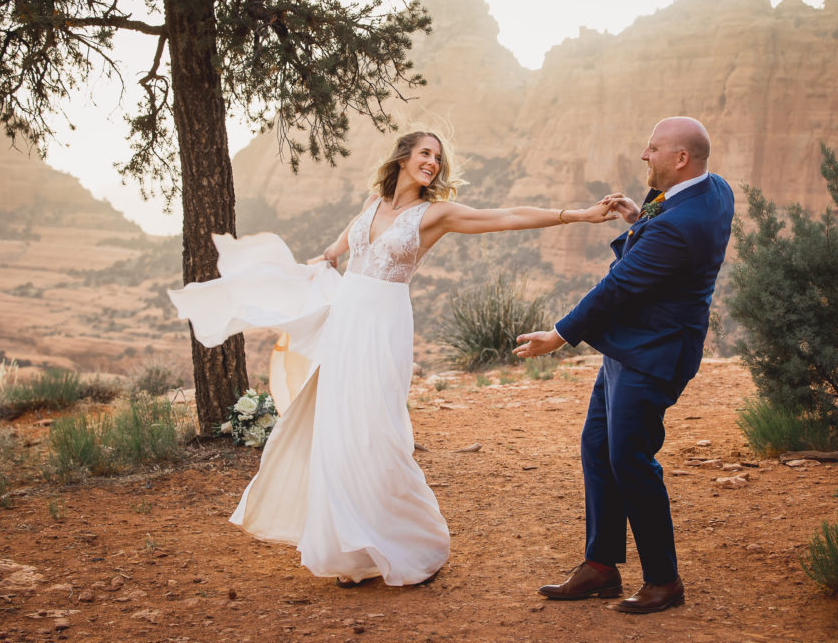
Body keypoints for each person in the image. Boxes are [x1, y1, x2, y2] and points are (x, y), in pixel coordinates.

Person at [169, 130, 623, 588]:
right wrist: (324, 257)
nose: (432, 162)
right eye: (425, 153)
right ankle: (355, 551)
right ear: (404, 157)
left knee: (377, 433)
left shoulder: (435, 215)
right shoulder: (373, 201)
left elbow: (505, 216)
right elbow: (345, 242)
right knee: (339, 431)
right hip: (345, 322)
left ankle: (412, 542)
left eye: (437, 157)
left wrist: (578, 215)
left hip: (383, 327)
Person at [513, 117, 734, 613]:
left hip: (654, 353)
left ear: (680, 159)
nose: (642, 155)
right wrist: (640, 219)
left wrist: (558, 336)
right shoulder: (713, 189)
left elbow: (618, 288)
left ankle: (663, 580)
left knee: (630, 459)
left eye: (652, 148)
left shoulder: (683, 225)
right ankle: (601, 565)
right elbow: (665, 234)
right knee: (597, 446)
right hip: (629, 345)